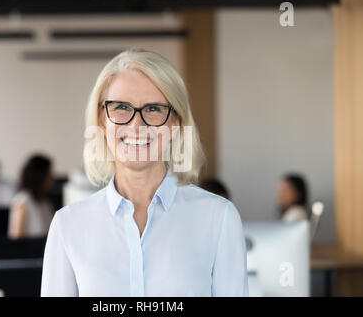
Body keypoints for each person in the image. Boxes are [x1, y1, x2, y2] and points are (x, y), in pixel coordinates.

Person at [41, 49, 248, 297]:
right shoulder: (68, 224)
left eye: (153, 109)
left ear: (175, 123)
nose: (136, 125)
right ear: (101, 120)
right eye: (120, 107)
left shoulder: (218, 217)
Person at [8, 154, 54, 239]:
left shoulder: (44, 202)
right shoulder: (22, 201)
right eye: (49, 173)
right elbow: (16, 239)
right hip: (29, 251)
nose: (52, 177)